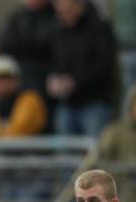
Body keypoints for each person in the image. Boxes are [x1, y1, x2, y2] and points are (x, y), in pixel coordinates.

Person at [48, 0, 116, 136]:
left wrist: (76, 81)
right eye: (59, 12)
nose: (63, 15)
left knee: (95, 151)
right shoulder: (59, 31)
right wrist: (54, 79)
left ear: (79, 7)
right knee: (65, 151)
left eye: (67, 11)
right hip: (67, 103)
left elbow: (104, 65)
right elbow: (53, 61)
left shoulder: (99, 28)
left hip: (95, 102)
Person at [0, 0, 58, 110]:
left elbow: (49, 45)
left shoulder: (56, 16)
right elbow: (5, 45)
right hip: (19, 79)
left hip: (45, 83)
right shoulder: (17, 17)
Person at [0, 54, 47, 137]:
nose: (2, 83)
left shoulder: (30, 99)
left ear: (17, 79)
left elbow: (20, 130)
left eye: (7, 77)